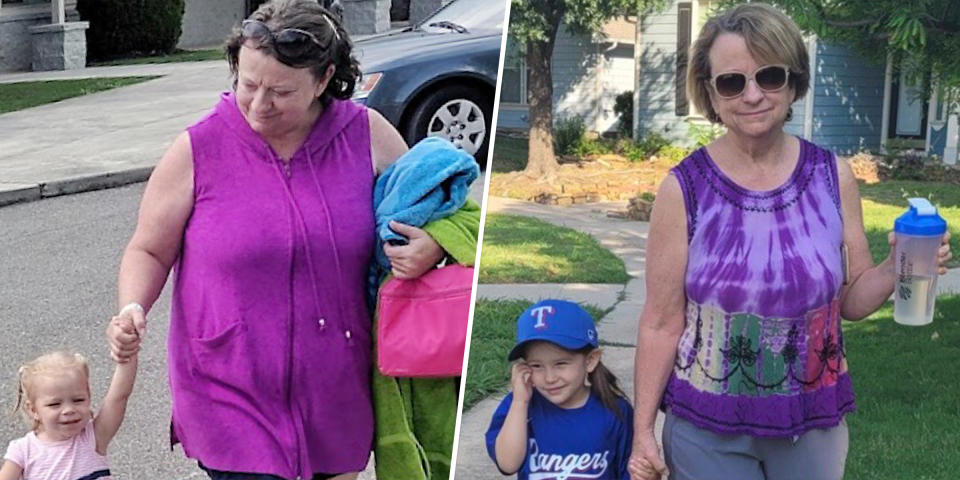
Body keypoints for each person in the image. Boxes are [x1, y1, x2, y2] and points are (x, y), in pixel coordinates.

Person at [105, 1, 445, 479]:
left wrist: (431, 247)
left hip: (336, 387)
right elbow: (149, 248)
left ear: (324, 80)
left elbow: (437, 211)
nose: (260, 105)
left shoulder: (366, 135)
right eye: (248, 85)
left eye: (281, 92)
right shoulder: (199, 147)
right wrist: (131, 307)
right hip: (228, 388)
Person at [628, 4, 953, 480]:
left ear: (793, 81)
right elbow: (659, 323)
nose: (753, 95)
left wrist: (896, 265)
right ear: (712, 95)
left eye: (770, 76)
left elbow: (852, 300)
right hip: (707, 423)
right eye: (732, 82)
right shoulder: (684, 188)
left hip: (812, 420)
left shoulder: (831, 176)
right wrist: (642, 432)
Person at [486, 299, 634, 479]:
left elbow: (628, 471)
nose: (550, 378)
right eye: (537, 366)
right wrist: (520, 402)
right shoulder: (519, 404)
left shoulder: (615, 410)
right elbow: (508, 464)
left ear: (590, 360)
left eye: (561, 363)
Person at [1, 340, 138, 480]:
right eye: (55, 404)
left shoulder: (93, 436)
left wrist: (128, 352)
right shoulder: (23, 451)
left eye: (78, 400)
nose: (68, 410)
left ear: (89, 397)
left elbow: (118, 397)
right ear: (33, 410)